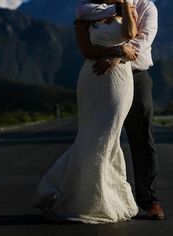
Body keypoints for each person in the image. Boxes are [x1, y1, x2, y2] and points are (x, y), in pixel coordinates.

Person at [33, 0, 139, 224]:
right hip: (92, 78)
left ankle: (99, 196)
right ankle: (80, 197)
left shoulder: (127, 11)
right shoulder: (83, 17)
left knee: (108, 135)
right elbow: (87, 51)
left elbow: (131, 33)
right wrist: (117, 49)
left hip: (119, 80)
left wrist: (125, 4)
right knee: (90, 135)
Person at [76, 0, 164, 220]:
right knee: (99, 135)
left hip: (135, 74)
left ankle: (149, 200)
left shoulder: (146, 6)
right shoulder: (91, 5)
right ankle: (95, 194)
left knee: (142, 137)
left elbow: (142, 40)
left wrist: (117, 56)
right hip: (100, 76)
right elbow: (84, 32)